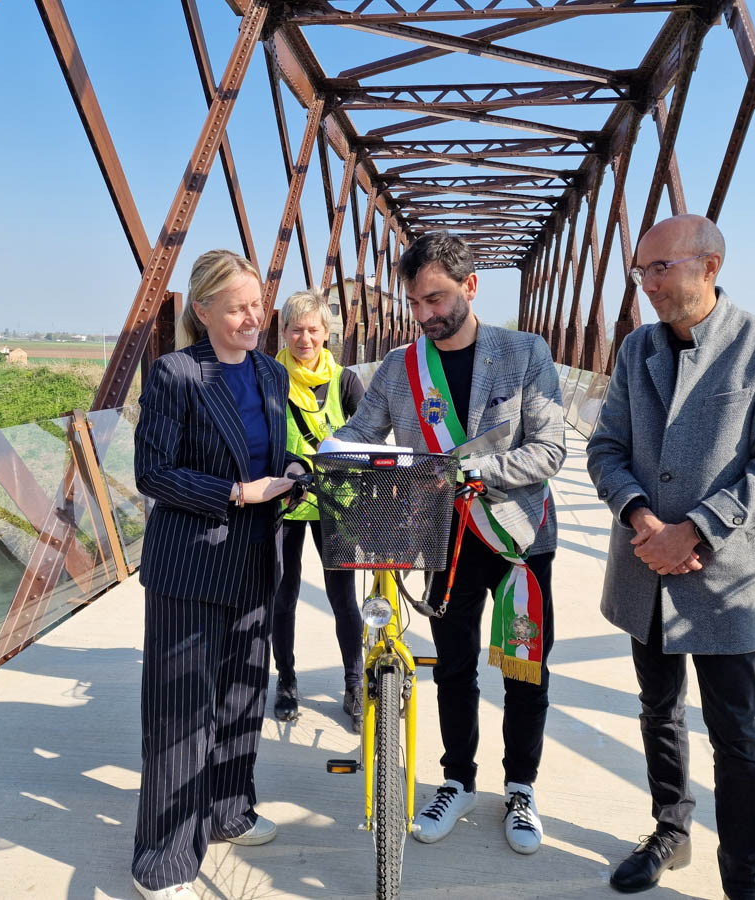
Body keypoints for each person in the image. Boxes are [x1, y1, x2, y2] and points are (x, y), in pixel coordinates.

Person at [586, 214, 755, 899]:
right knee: (658, 710)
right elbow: (606, 448)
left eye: (661, 268)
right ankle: (670, 830)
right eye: (641, 272)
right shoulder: (636, 350)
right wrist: (642, 517)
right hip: (643, 561)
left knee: (735, 733)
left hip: (720, 573)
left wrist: (695, 530)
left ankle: (743, 875)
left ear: (710, 266)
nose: (648, 285)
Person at [333, 232, 566, 855]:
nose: (426, 314)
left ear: (471, 285)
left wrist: (470, 472)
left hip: (518, 539)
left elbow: (549, 451)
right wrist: (327, 454)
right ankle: (457, 779)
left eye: (436, 298)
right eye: (415, 303)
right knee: (454, 668)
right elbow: (360, 431)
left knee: (525, 669)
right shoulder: (399, 366)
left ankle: (521, 788)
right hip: (442, 539)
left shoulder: (525, 353)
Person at [131, 250, 306, 900]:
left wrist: (290, 476)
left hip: (256, 560)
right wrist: (236, 492)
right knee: (181, 715)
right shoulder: (175, 374)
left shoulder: (268, 372)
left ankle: (228, 813)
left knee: (240, 698)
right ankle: (163, 863)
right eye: (237, 308)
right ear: (201, 311)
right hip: (190, 566)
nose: (253, 318)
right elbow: (153, 473)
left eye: (258, 306)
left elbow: (273, 453)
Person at [270, 290, 367, 729]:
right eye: (295, 329)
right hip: (286, 499)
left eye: (312, 330)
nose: (303, 338)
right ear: (284, 331)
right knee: (282, 596)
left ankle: (353, 682)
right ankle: (287, 681)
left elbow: (365, 440)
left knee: (343, 600)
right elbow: (256, 437)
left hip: (335, 503)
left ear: (327, 333)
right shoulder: (269, 377)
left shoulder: (346, 382)